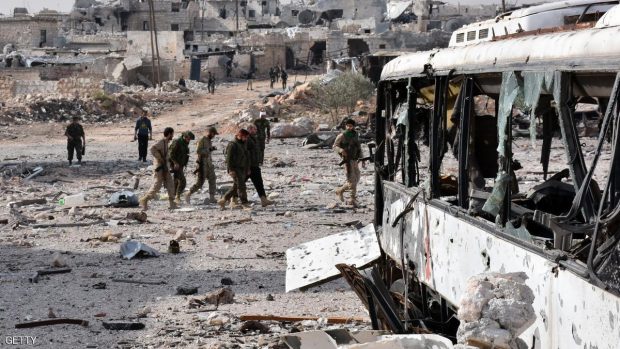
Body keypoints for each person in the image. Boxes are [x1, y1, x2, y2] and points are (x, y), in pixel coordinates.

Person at [139, 127, 178, 210]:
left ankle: (172, 204)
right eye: (172, 134)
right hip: (159, 168)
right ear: (169, 134)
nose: (172, 136)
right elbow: (152, 149)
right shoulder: (161, 142)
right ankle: (145, 200)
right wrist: (160, 158)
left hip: (165, 167)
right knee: (157, 186)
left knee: (170, 184)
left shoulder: (166, 143)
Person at [333, 119, 362, 207]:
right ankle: (352, 199)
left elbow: (358, 146)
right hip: (347, 161)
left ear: (353, 126)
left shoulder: (355, 134)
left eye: (351, 126)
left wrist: (362, 158)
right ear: (345, 126)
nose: (349, 127)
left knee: (356, 178)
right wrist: (341, 150)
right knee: (351, 180)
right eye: (348, 126)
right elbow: (335, 146)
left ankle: (340, 191)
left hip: (355, 160)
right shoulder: (342, 135)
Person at [219, 129, 251, 209]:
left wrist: (247, 168)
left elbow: (246, 156)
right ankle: (245, 203)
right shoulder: (232, 144)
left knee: (236, 187)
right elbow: (229, 159)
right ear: (240, 136)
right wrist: (231, 170)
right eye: (245, 137)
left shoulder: (243, 143)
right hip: (235, 168)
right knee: (241, 186)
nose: (246, 139)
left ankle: (223, 200)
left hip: (242, 168)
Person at [186, 127, 219, 204]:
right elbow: (198, 151)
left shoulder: (209, 141)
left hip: (209, 164)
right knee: (200, 182)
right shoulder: (202, 140)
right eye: (214, 134)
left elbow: (208, 152)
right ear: (211, 133)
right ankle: (188, 194)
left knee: (213, 179)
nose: (214, 136)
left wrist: (211, 149)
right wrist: (209, 150)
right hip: (202, 164)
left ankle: (212, 198)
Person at [245, 124, 274, 207]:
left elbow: (257, 151)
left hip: (254, 165)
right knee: (239, 184)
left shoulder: (254, 138)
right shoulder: (247, 139)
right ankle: (229, 198)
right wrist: (247, 167)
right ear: (250, 129)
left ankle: (263, 200)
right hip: (248, 166)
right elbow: (246, 154)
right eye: (254, 129)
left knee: (259, 183)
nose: (256, 131)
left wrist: (259, 161)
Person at [169, 131, 195, 204]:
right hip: (175, 164)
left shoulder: (185, 143)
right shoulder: (177, 142)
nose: (189, 140)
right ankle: (177, 197)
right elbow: (170, 154)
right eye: (188, 139)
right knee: (183, 181)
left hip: (180, 164)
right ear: (184, 137)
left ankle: (173, 196)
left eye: (190, 139)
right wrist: (175, 163)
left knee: (176, 180)